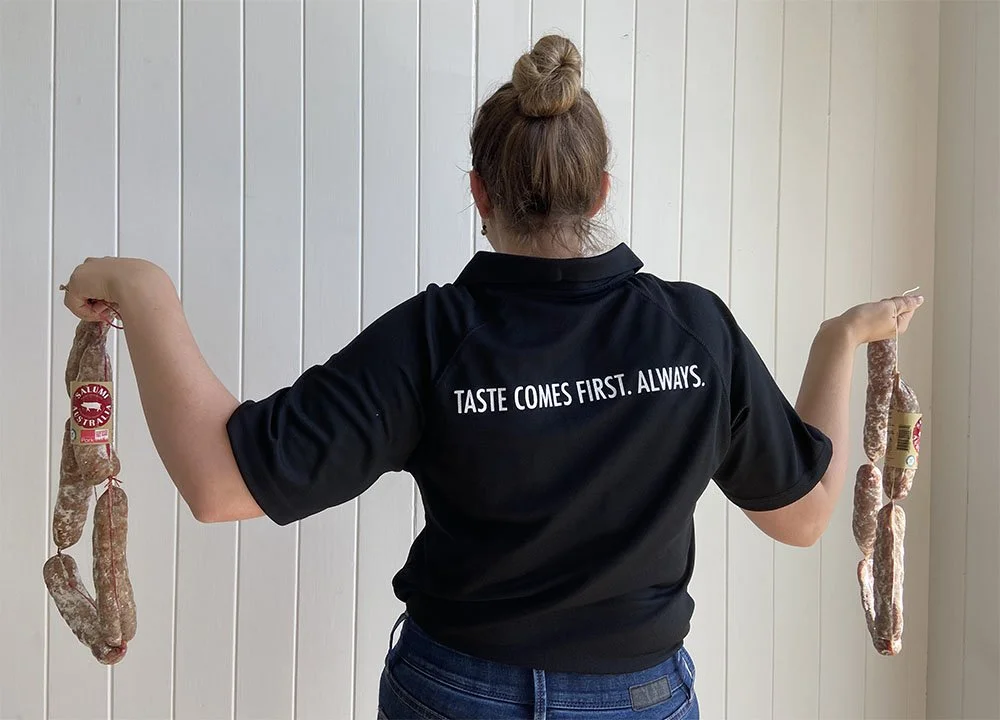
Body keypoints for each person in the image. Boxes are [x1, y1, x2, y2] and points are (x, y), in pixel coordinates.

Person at [62, 34, 923, 720]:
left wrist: (146, 289)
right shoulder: (693, 329)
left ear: (479, 194)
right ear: (600, 193)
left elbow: (220, 482)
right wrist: (839, 340)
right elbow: (805, 515)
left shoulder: (434, 339)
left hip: (454, 692)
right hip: (638, 698)